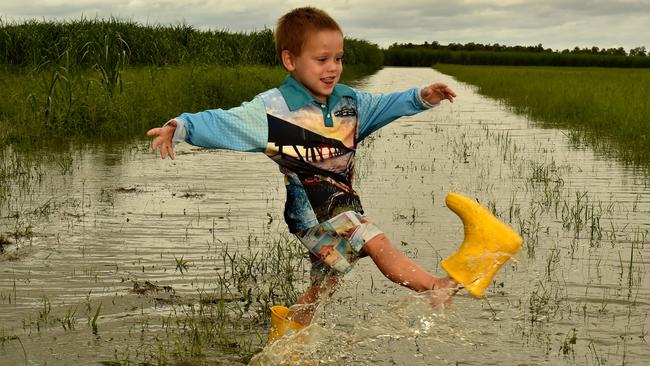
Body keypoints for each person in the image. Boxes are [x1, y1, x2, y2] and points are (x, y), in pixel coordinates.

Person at [147, 6, 459, 326]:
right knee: (374, 240)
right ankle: (434, 286)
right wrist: (181, 126)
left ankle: (291, 330)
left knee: (324, 284)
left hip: (341, 204)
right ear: (290, 60)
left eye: (338, 58)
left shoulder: (348, 103)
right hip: (311, 213)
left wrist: (421, 97)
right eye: (321, 60)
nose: (332, 68)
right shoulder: (273, 111)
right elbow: (223, 121)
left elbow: (383, 105)